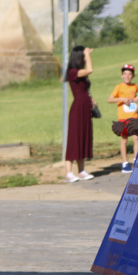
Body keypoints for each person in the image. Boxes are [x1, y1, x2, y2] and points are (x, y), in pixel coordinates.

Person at [63, 45, 95, 182]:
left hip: (85, 108)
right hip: (77, 109)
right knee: (74, 139)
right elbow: (90, 70)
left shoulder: (79, 72)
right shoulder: (73, 71)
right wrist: (87, 54)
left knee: (83, 138)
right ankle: (69, 172)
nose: (84, 58)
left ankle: (81, 170)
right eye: (82, 56)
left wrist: (92, 100)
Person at [108, 64, 138, 172]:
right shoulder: (119, 87)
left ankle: (136, 160)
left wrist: (137, 98)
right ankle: (125, 163)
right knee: (124, 139)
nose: (127, 76)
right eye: (125, 74)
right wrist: (122, 99)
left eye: (130, 74)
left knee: (136, 138)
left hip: (133, 116)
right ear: (122, 75)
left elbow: (137, 95)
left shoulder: (134, 86)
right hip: (123, 117)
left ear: (133, 76)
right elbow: (110, 99)